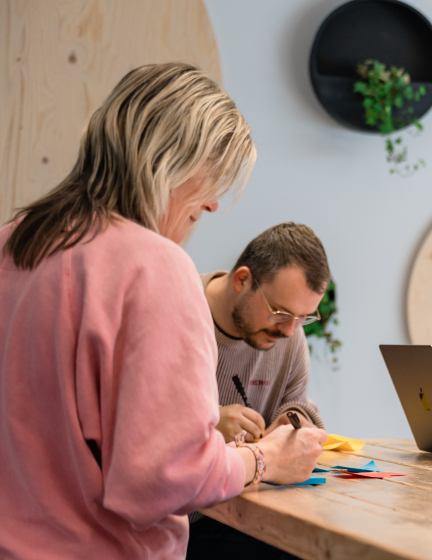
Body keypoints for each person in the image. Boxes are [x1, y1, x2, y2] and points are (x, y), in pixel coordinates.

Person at [0, 63, 326, 559]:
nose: (214, 203)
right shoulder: (155, 268)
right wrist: (265, 461)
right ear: (169, 160)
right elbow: (161, 479)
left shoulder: (13, 240)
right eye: (212, 176)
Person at [187, 223, 331, 559]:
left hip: (239, 514)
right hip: (175, 520)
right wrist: (207, 425)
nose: (289, 330)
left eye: (304, 318)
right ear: (242, 280)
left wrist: (291, 421)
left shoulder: (290, 337)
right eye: (280, 312)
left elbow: (296, 403)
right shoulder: (179, 313)